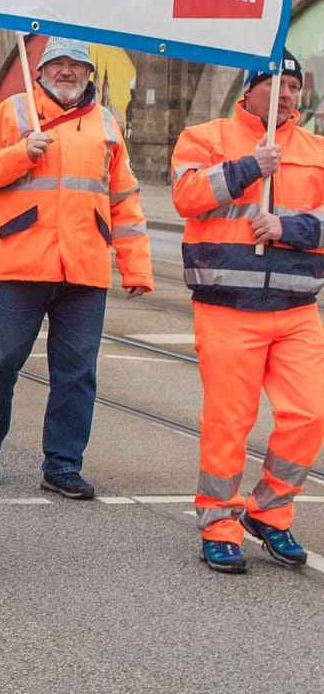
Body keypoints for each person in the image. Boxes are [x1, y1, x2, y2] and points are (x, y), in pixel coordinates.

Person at [0, 38, 151, 500]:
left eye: (76, 65)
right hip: (20, 262)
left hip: (84, 268)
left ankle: (63, 464)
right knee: (1, 363)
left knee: (77, 373)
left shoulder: (106, 123)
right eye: (58, 64)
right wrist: (20, 153)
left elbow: (123, 201)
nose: (67, 72)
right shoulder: (14, 112)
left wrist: (136, 266)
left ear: (88, 73)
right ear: (42, 70)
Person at [170, 50, 324, 573]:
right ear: (249, 88)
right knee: (229, 422)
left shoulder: (316, 150)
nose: (286, 95)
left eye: (294, 87)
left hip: (298, 309)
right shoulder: (206, 137)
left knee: (310, 415)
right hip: (227, 306)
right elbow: (187, 196)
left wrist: (289, 229)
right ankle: (219, 523)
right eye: (277, 84)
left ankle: (270, 512)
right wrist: (246, 168)